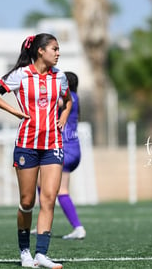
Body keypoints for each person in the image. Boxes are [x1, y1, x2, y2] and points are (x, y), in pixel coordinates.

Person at [0, 33, 71, 268]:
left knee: (49, 198)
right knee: (26, 201)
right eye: (54, 48)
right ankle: (25, 251)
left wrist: (62, 117)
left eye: (58, 49)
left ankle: (41, 254)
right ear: (40, 51)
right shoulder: (20, 75)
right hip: (27, 144)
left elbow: (68, 99)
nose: (58, 52)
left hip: (53, 144)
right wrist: (14, 111)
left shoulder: (60, 77)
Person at [32, 71, 86, 240]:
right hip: (73, 149)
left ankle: (78, 227)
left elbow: (53, 102)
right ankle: (44, 223)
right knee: (41, 182)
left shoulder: (68, 99)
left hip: (65, 149)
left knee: (61, 190)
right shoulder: (75, 97)